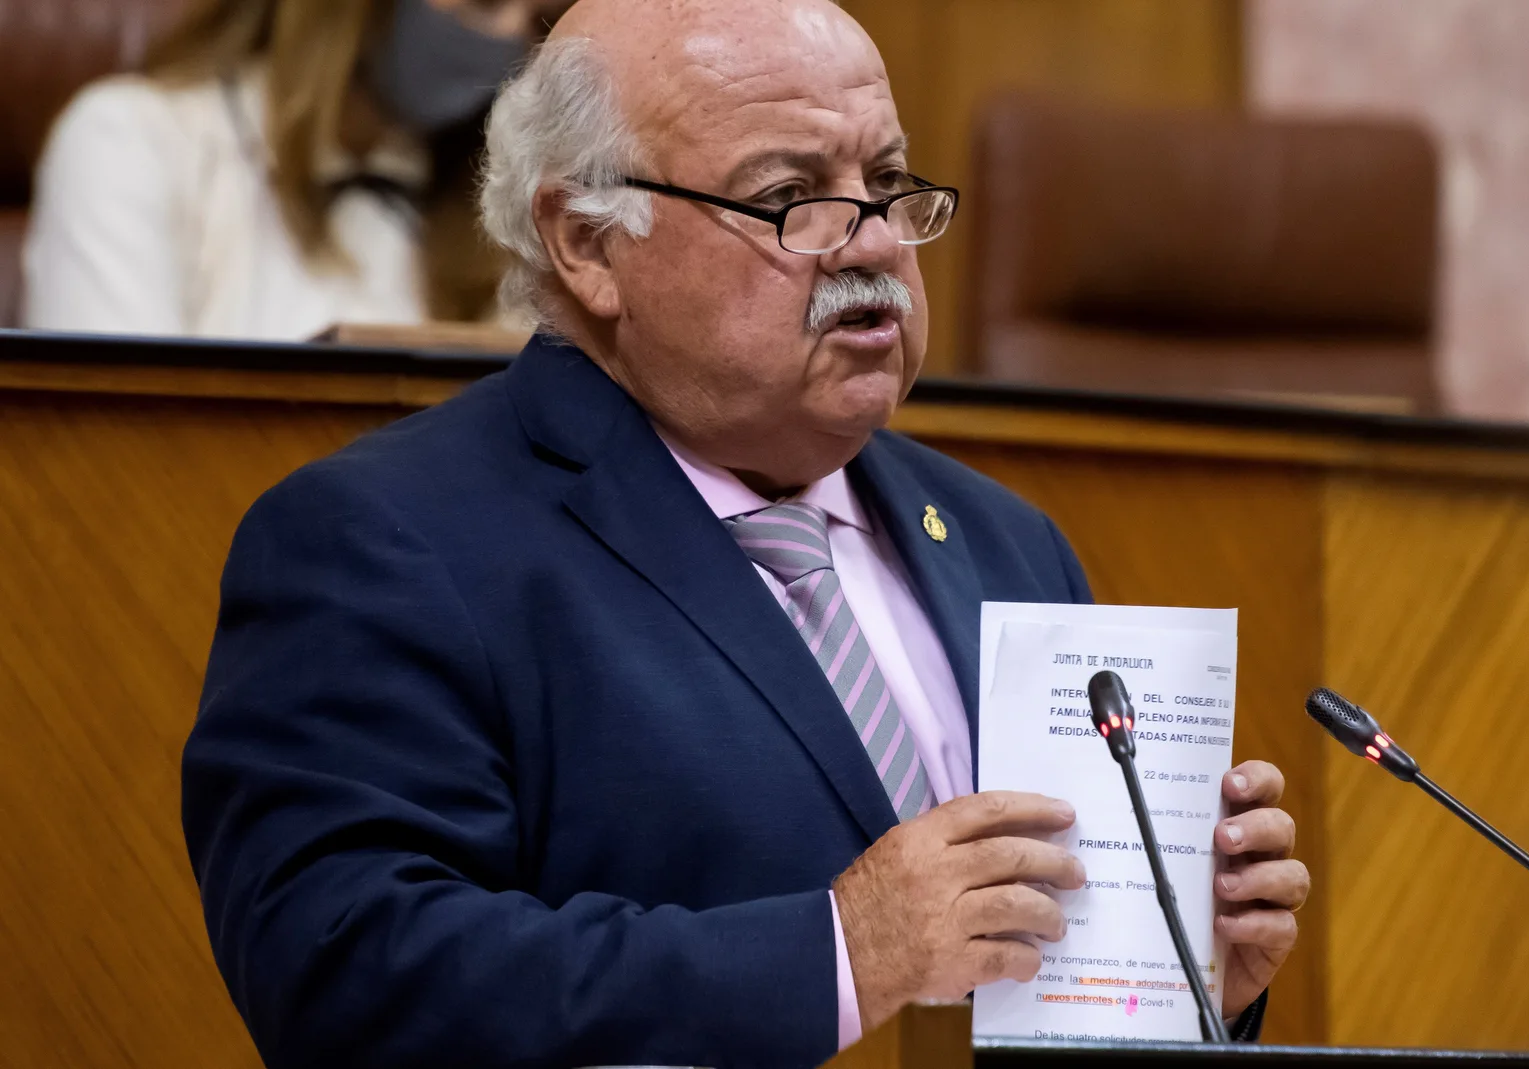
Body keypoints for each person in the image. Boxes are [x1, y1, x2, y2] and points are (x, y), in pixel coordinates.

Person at [180, 0, 1311, 1065]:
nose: (870, 242)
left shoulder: (1004, 540)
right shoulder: (383, 542)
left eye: (885, 181)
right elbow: (349, 978)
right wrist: (837, 954)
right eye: (791, 196)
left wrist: (1188, 975)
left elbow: (1035, 998)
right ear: (586, 242)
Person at [22, 0, 570, 339]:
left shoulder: (496, 199)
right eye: (484, 1)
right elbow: (113, 444)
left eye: (538, 20)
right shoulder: (129, 139)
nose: (508, 41)